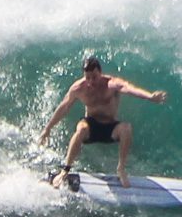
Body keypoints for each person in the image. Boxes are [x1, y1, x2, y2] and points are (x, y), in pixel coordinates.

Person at [38, 56, 166, 189]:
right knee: (81, 128)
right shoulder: (79, 88)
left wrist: (149, 96)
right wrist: (47, 129)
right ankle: (65, 170)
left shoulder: (111, 84)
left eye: (94, 77)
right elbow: (64, 107)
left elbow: (128, 88)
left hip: (110, 127)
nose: (91, 81)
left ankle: (120, 170)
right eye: (87, 77)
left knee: (126, 128)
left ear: (100, 72)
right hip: (91, 125)